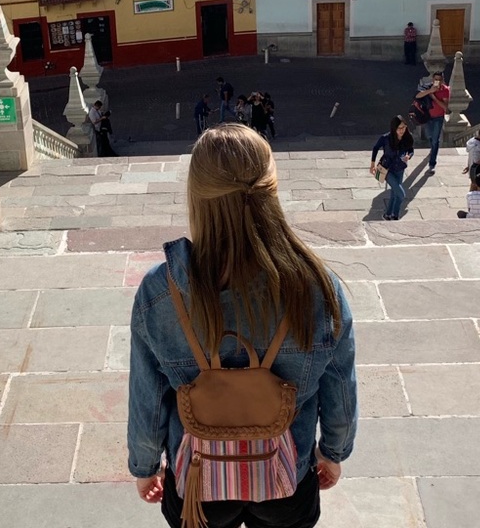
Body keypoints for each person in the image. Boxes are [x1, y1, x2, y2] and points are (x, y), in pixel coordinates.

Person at [127, 124, 357, 528]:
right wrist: (332, 453)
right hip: (286, 474)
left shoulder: (159, 292)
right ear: (271, 192)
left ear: (197, 198)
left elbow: (147, 396)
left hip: (198, 483)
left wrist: (144, 465)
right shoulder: (320, 289)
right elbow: (339, 388)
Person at [370, 115, 414, 221]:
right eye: (399, 128)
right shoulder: (386, 138)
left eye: (404, 127)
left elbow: (411, 150)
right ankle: (393, 214)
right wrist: (372, 164)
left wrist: (409, 156)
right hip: (387, 169)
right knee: (401, 193)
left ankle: (391, 214)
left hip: (400, 168)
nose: (402, 130)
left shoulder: (407, 137)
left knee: (394, 193)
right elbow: (375, 148)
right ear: (394, 128)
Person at [415, 71, 449, 175]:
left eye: (439, 79)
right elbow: (417, 96)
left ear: (442, 80)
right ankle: (432, 150)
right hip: (428, 117)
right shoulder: (428, 87)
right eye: (435, 79)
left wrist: (434, 97)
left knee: (435, 140)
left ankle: (432, 164)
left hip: (438, 117)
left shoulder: (445, 90)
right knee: (430, 136)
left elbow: (445, 107)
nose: (437, 81)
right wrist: (430, 91)